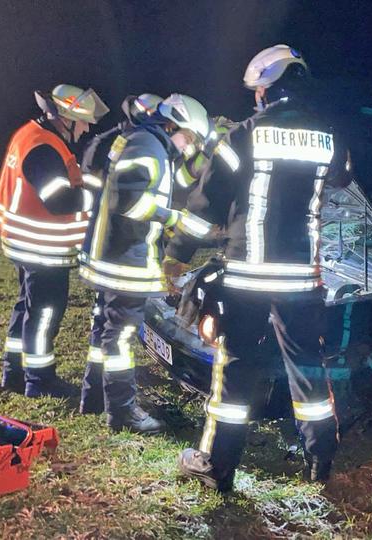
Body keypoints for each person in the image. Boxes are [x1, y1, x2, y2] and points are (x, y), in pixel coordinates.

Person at [169, 45, 352, 492]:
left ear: (267, 91)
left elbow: (204, 204)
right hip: (302, 279)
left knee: (236, 371)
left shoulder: (241, 137)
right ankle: (320, 462)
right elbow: (343, 177)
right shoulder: (330, 137)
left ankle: (218, 467)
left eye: (259, 91)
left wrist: (178, 252)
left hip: (247, 277)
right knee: (308, 368)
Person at [77, 93, 214, 434]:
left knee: (105, 330)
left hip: (116, 255)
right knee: (120, 337)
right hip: (125, 259)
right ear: (174, 126)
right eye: (190, 139)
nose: (189, 148)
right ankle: (123, 413)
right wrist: (173, 219)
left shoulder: (148, 144)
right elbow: (131, 202)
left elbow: (177, 180)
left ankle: (94, 399)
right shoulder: (148, 146)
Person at [0, 84, 108, 397]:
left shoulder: (30, 134)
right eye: (82, 122)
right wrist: (97, 196)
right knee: (44, 314)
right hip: (42, 247)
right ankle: (39, 381)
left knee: (26, 308)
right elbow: (59, 201)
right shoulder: (44, 148)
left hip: (24, 242)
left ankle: (13, 372)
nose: (86, 128)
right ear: (64, 118)